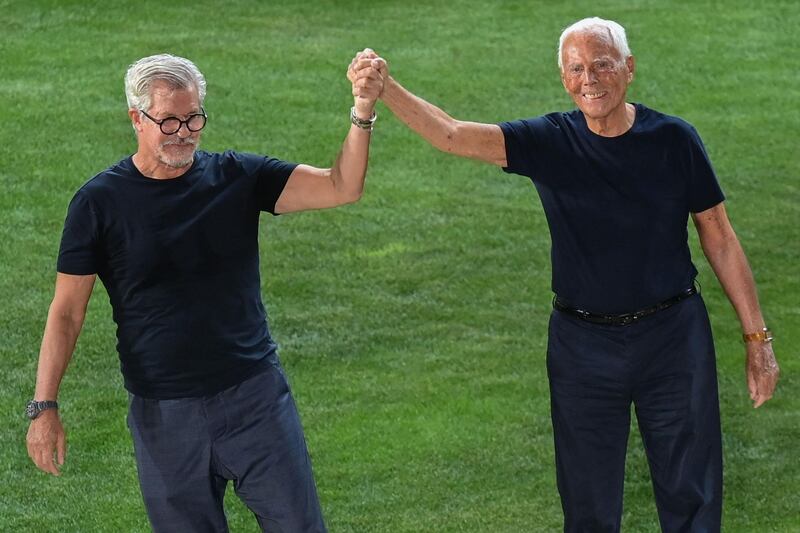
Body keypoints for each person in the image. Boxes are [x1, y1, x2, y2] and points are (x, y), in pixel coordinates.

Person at [349, 17, 780, 533]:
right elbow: (451, 134)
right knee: (587, 502)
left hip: (673, 339)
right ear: (563, 77)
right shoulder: (549, 141)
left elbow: (719, 235)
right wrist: (384, 87)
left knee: (692, 493)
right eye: (576, 68)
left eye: (602, 64)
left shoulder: (674, 140)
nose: (590, 79)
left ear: (629, 69)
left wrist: (757, 339)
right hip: (582, 349)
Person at [26, 51, 385, 532]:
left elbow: (342, 186)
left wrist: (362, 111)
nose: (185, 132)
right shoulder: (99, 203)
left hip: (256, 401)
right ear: (137, 118)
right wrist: (44, 406)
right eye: (169, 122)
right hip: (164, 419)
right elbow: (67, 312)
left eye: (194, 118)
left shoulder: (237, 177)